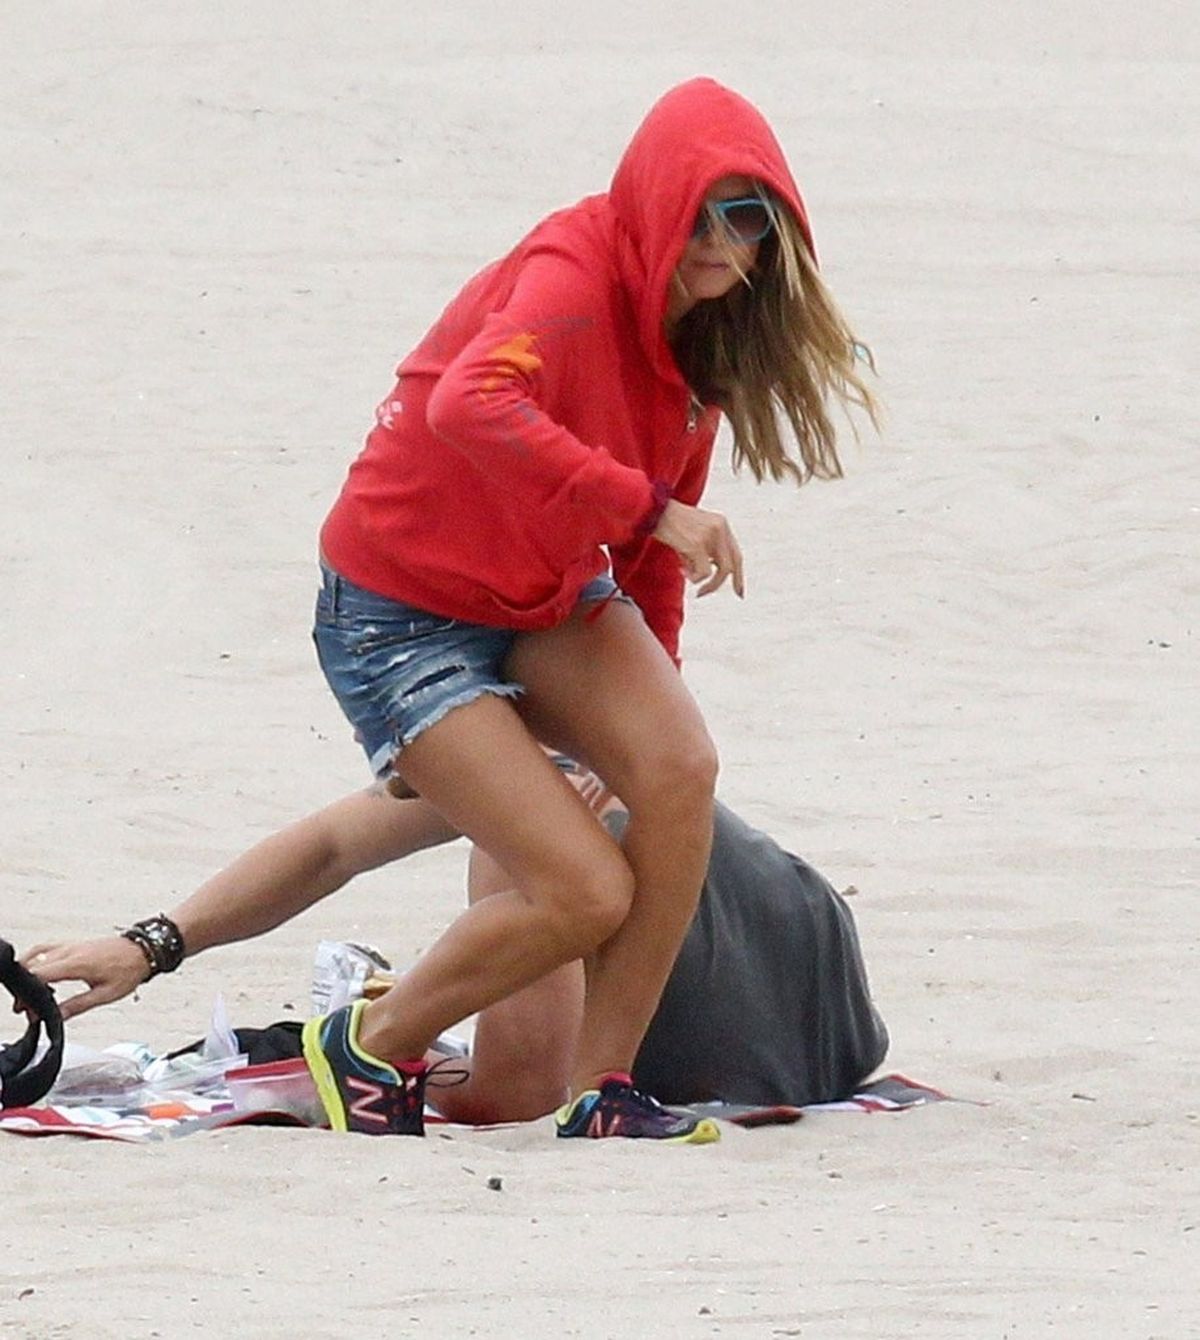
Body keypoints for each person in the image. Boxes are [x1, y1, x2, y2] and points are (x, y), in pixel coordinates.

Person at [45, 77, 879, 1142]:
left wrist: (632, 686)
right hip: (407, 609)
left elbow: (342, 843)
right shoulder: (572, 274)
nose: (720, 239)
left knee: (648, 801)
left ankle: (584, 1086)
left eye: (748, 216)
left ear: (778, 235)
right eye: (701, 209)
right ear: (653, 202)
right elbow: (474, 401)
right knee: (577, 903)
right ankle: (383, 1043)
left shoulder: (692, 360)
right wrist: (152, 941)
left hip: (543, 607)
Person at [22, 765, 888, 1123]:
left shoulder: (525, 835)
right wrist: (151, 944)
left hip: (731, 1064)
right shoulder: (585, 727)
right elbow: (333, 845)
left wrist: (406, 1056)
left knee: (533, 894)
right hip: (826, 997)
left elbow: (518, 1092)